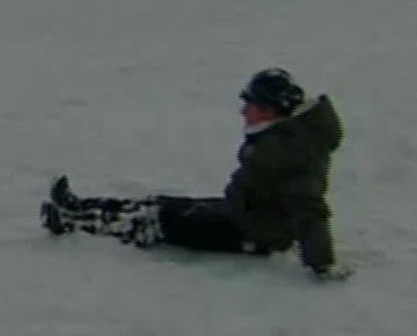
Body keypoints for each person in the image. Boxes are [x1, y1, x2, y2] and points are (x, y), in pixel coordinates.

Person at [40, 69, 350, 280]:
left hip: (253, 234)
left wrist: (321, 263)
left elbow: (310, 209)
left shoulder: (295, 153)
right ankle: (79, 205)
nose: (244, 111)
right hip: (241, 212)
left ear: (271, 109)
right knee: (160, 203)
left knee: (160, 220)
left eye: (250, 104)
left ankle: (71, 222)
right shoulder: (284, 138)